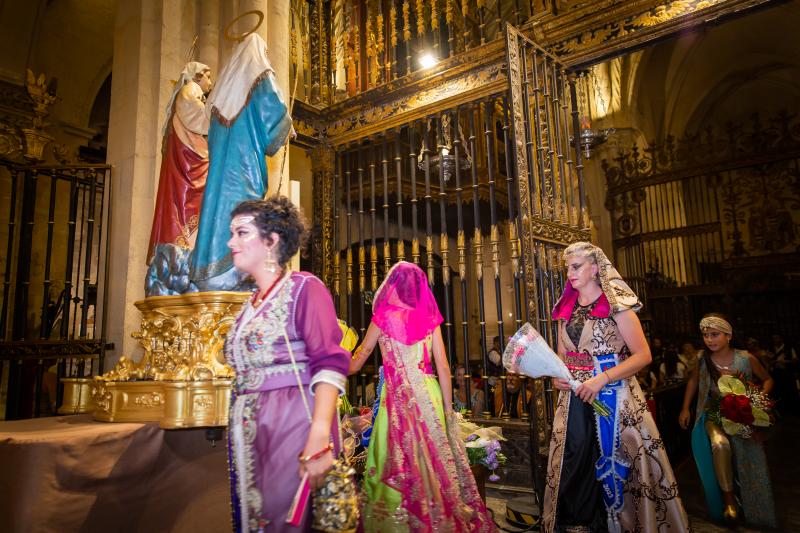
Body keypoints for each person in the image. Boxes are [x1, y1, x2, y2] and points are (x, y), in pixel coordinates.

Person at [224, 197, 350, 532]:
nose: (230, 242)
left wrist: (320, 435)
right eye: (232, 233)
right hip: (253, 433)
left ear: (271, 241)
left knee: (285, 519)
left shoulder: (304, 289)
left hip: (292, 426)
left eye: (241, 232)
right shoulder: (248, 306)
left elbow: (330, 363)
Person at [545, 242, 689, 533]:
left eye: (576, 266)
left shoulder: (617, 306)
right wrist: (556, 377)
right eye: (567, 268)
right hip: (574, 398)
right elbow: (561, 359)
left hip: (615, 398)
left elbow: (643, 355)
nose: (569, 273)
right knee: (575, 457)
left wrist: (602, 378)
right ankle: (580, 524)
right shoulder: (566, 309)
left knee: (618, 461)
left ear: (595, 268)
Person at [350, 261, 495, 531]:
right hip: (429, 393)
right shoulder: (429, 320)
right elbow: (443, 366)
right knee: (433, 456)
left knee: (397, 457)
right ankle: (437, 516)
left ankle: (397, 520)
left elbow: (358, 361)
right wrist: (449, 409)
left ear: (394, 286)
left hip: (399, 397)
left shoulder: (382, 318)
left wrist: (331, 364)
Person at [190, 33, 293, 291]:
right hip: (244, 169)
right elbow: (274, 110)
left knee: (219, 213)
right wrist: (287, 126)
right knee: (246, 215)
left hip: (219, 176)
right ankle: (238, 273)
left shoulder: (221, 93)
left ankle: (211, 270)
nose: (267, 58)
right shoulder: (258, 73)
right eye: (266, 53)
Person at [679, 314, 777, 528]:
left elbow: (768, 379)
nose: (709, 340)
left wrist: (756, 398)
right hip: (713, 414)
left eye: (715, 335)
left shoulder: (746, 358)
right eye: (705, 335)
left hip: (743, 416)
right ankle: (728, 500)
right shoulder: (702, 359)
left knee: (748, 457)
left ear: (728, 335)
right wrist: (686, 408)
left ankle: (754, 508)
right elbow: (694, 381)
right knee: (720, 445)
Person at [145, 61, 213, 296]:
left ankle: (192, 253)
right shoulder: (189, 92)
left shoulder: (195, 95)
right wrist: (221, 112)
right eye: (208, 77)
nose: (210, 83)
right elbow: (198, 119)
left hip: (193, 157)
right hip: (187, 165)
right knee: (185, 207)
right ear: (198, 76)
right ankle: (183, 254)